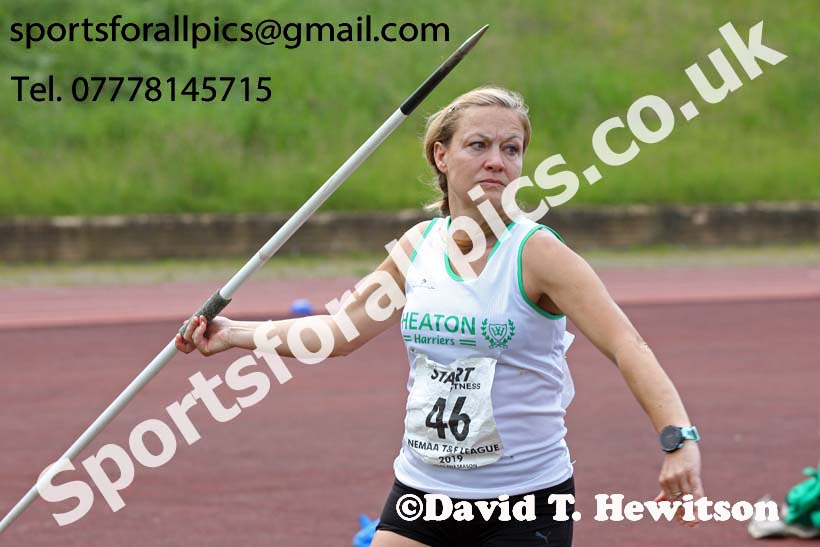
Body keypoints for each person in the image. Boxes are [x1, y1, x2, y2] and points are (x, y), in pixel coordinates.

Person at [176, 86, 704, 546]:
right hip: (423, 492)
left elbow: (627, 345)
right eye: (479, 145)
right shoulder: (417, 247)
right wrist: (233, 334)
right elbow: (339, 332)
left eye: (511, 149)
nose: (497, 160)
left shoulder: (538, 254)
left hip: (524, 501)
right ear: (441, 155)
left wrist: (677, 438)